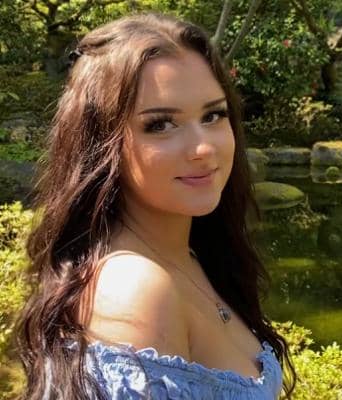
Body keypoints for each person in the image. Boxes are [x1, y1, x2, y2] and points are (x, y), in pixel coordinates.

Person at [16, 12, 296, 400]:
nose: (203, 148)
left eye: (213, 115)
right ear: (102, 144)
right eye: (161, 125)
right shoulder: (137, 287)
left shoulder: (191, 254)